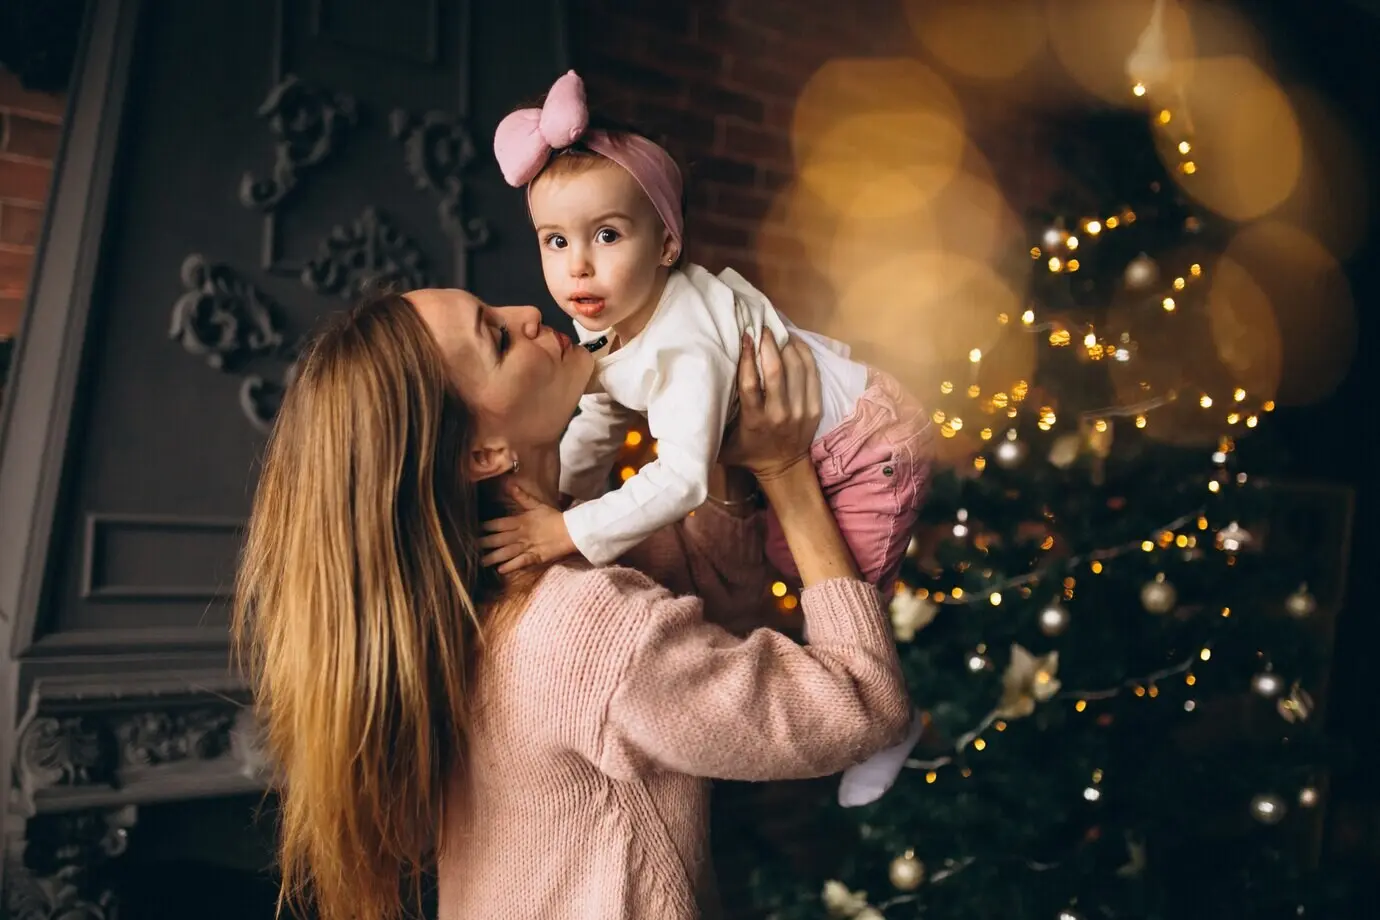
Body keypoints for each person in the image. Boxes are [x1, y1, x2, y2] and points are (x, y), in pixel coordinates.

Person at [231, 286, 912, 920]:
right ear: (485, 452)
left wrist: (720, 439)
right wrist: (786, 471)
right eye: (498, 339)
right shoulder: (581, 626)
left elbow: (720, 603)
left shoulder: (499, 586)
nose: (529, 310)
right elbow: (862, 705)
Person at [487, 69, 932, 807]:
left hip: (868, 448)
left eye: (606, 235)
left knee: (843, 594)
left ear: (666, 245)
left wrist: (563, 528)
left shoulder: (685, 343)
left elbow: (686, 478)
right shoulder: (605, 322)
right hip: (814, 446)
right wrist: (562, 490)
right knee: (793, 567)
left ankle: (897, 723)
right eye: (554, 240)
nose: (578, 266)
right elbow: (601, 414)